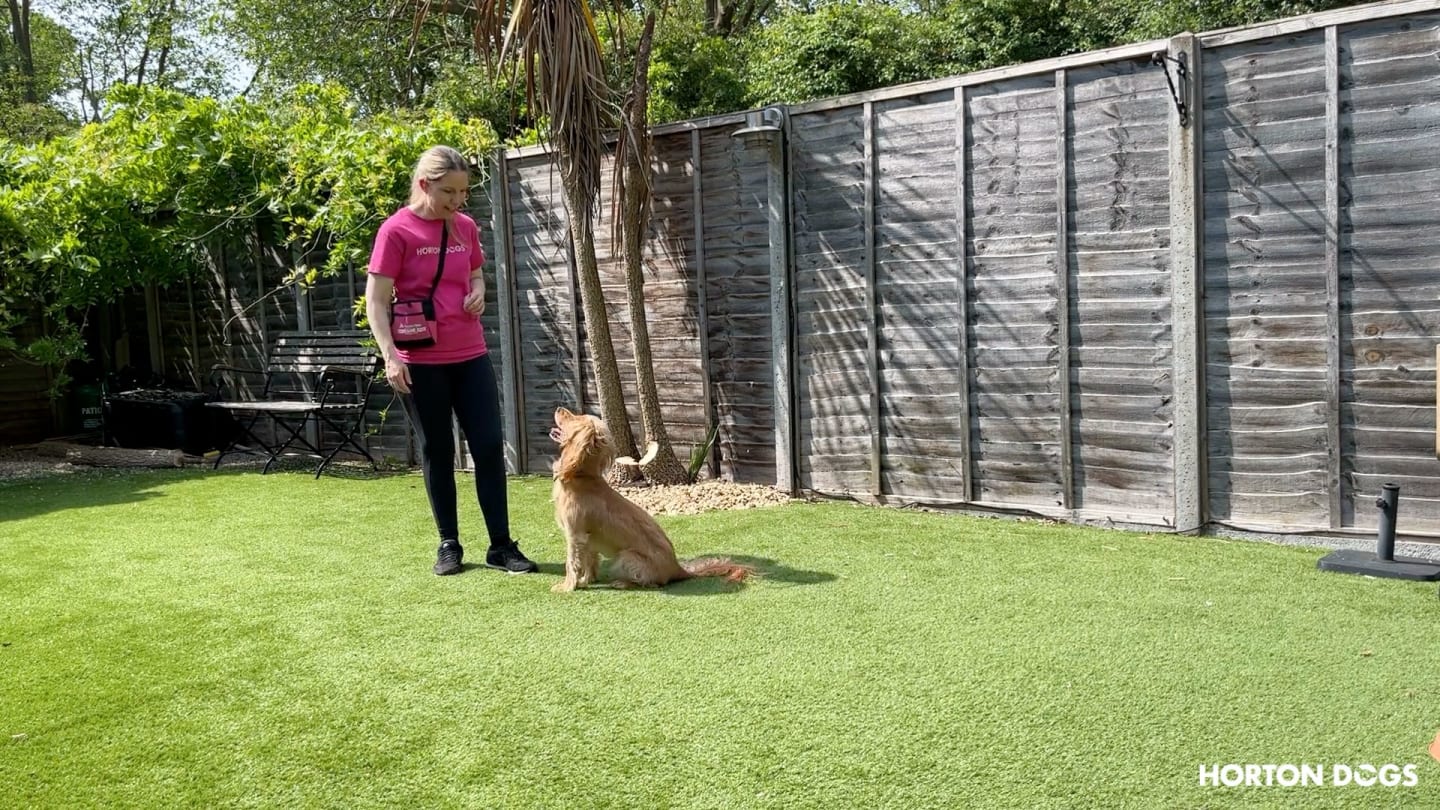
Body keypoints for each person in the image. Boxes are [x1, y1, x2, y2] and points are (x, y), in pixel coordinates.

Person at [365, 145, 538, 576]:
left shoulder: (465, 227)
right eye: (449, 192)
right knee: (437, 450)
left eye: (463, 192)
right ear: (424, 185)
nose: (458, 201)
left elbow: (474, 271)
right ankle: (449, 544)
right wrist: (390, 356)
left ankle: (501, 545)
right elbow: (376, 299)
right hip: (419, 361)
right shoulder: (396, 231)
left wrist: (478, 290)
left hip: (470, 355)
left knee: (487, 447)